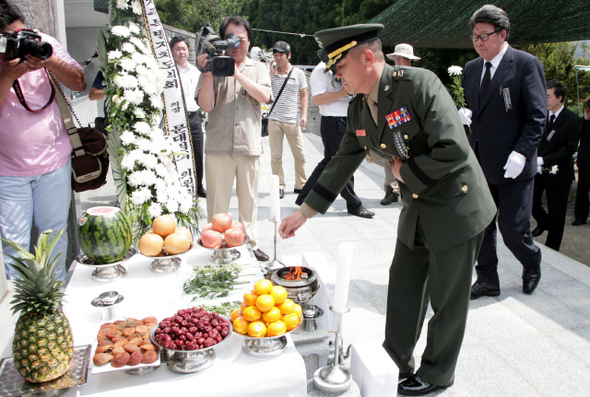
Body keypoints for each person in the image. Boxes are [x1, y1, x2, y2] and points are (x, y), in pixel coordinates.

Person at [279, 24, 495, 395]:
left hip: (456, 207)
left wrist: (402, 172)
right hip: (417, 206)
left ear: (367, 57)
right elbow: (342, 160)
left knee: (447, 300)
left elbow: (454, 149)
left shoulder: (419, 85)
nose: (336, 75)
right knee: (404, 289)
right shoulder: (360, 107)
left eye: (340, 65)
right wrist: (304, 213)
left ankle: (437, 372)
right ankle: (395, 362)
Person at [462, 4, 547, 298]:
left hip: (514, 163)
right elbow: (478, 111)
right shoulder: (472, 69)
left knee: (512, 228)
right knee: (481, 226)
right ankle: (487, 279)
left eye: (484, 35)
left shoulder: (524, 64)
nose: (478, 42)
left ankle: (531, 261)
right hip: (481, 162)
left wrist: (523, 152)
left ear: (502, 34)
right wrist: (466, 117)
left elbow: (538, 115)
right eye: (475, 36)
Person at [0, 0, 86, 281]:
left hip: (53, 162)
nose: (20, 41)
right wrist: (8, 75)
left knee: (54, 235)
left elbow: (79, 82)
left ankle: (57, 304)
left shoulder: (41, 42)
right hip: (7, 170)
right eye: (11, 38)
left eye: (21, 32)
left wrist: (48, 59)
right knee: (14, 245)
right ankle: (22, 315)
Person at [196, 16, 271, 262]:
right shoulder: (212, 66)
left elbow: (264, 97)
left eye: (241, 39)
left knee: (249, 201)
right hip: (218, 144)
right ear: (221, 40)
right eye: (231, 39)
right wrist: (209, 73)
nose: (236, 44)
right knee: (217, 203)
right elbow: (206, 106)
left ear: (249, 41)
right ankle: (216, 245)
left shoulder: (258, 68)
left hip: (248, 144)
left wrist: (236, 73)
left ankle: (250, 242)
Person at [294, 61, 374, 218]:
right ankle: (354, 204)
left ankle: (304, 198)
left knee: (330, 162)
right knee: (344, 163)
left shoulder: (346, 64)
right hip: (334, 121)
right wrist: (345, 91)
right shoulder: (320, 71)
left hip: (349, 118)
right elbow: (317, 100)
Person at [531, 81, 582, 251]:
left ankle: (552, 249)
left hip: (559, 173)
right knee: (531, 202)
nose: (545, 99)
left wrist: (545, 160)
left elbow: (569, 149)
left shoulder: (573, 120)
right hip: (538, 171)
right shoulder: (540, 116)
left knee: (557, 213)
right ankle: (544, 222)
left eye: (548, 96)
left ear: (559, 98)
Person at [268, 40, 308, 199]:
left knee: (300, 155)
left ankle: (301, 184)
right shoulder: (270, 72)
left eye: (281, 55)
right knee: (276, 156)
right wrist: (270, 76)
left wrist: (304, 114)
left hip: (292, 119)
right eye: (275, 55)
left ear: (288, 55)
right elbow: (264, 92)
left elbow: (304, 95)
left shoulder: (298, 73)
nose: (278, 58)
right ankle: (279, 185)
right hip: (274, 119)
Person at [171, 36, 206, 198]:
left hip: (193, 117)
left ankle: (198, 185)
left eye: (184, 49)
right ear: (172, 51)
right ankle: (176, 185)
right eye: (177, 49)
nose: (181, 52)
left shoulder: (195, 71)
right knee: (176, 151)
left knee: (197, 151)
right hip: (174, 116)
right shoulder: (168, 72)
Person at [573, 103, 590, 226]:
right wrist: (586, 119)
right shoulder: (583, 123)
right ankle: (580, 216)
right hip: (585, 161)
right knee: (582, 190)